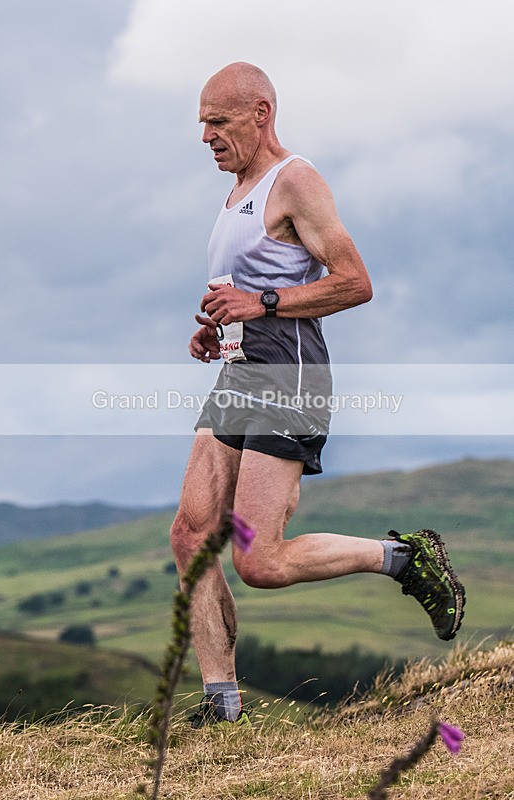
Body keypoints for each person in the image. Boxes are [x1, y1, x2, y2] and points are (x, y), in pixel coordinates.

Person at [170, 62, 465, 727]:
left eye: (218, 121)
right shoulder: (235, 195)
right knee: (190, 535)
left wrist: (263, 302)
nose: (207, 136)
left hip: (290, 375)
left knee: (260, 560)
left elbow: (355, 281)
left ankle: (402, 557)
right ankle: (222, 707)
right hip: (243, 370)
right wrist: (219, 326)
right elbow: (250, 297)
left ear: (261, 114)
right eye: (202, 124)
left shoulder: (294, 180)